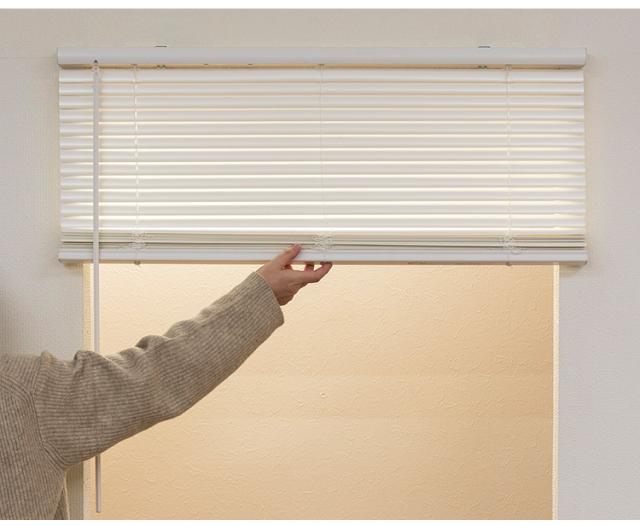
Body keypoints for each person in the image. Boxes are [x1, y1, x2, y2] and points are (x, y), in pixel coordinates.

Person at [0, 245, 332, 519]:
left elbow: (159, 371)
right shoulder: (20, 394)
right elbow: (157, 372)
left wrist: (262, 293)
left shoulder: (20, 395)